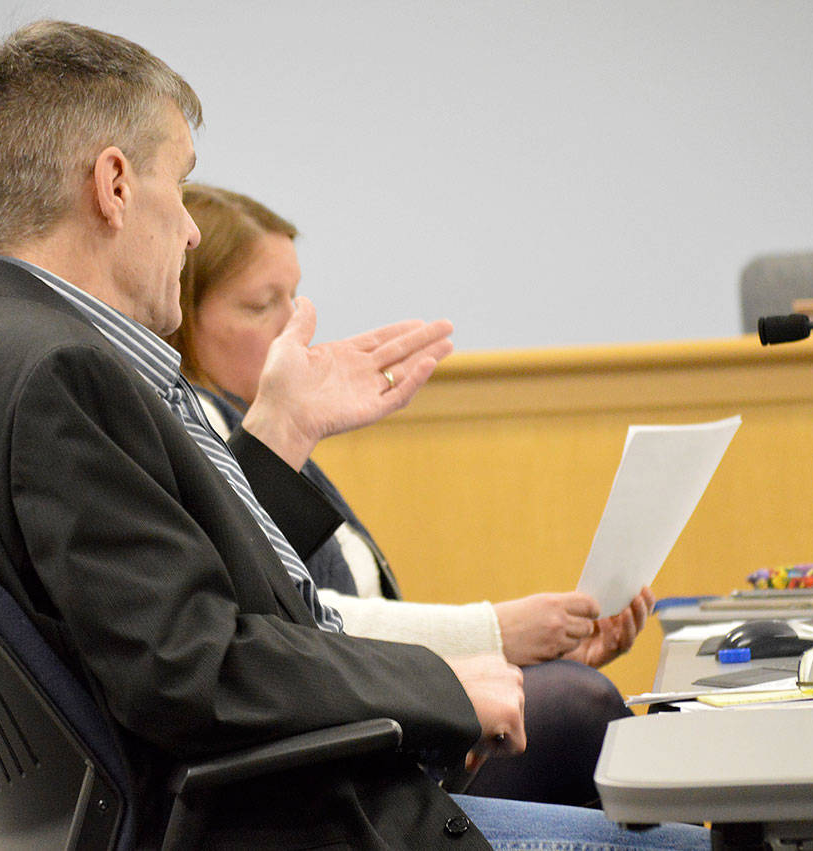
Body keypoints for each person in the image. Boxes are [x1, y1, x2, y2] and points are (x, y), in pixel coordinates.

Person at [0, 19, 708, 850]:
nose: (193, 229)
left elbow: (174, 596)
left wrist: (281, 431)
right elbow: (189, 669)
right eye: (181, 181)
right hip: (295, 821)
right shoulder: (64, 374)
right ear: (116, 185)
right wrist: (440, 683)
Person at [169, 183, 650, 806]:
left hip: (380, 724)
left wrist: (506, 652)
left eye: (296, 296)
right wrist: (493, 635)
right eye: (263, 305)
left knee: (576, 701)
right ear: (184, 315)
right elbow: (295, 624)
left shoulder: (255, 424)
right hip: (337, 766)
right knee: (580, 708)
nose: (295, 326)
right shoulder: (209, 436)